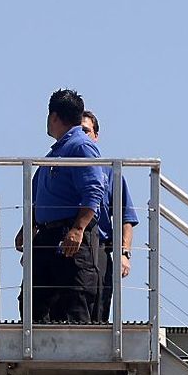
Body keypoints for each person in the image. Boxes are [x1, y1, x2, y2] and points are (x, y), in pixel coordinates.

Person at [15, 89, 104, 323]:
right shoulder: (56, 152)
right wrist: (29, 225)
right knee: (33, 301)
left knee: (76, 301)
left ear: (54, 117)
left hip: (69, 236)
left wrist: (78, 229)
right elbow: (43, 196)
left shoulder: (80, 146)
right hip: (48, 235)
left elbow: (94, 190)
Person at [81, 110, 139, 323]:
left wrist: (125, 254)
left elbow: (126, 216)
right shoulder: (57, 167)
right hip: (67, 249)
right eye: (77, 131)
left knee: (100, 310)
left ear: (96, 136)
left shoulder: (110, 172)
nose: (82, 136)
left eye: (86, 131)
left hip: (101, 249)